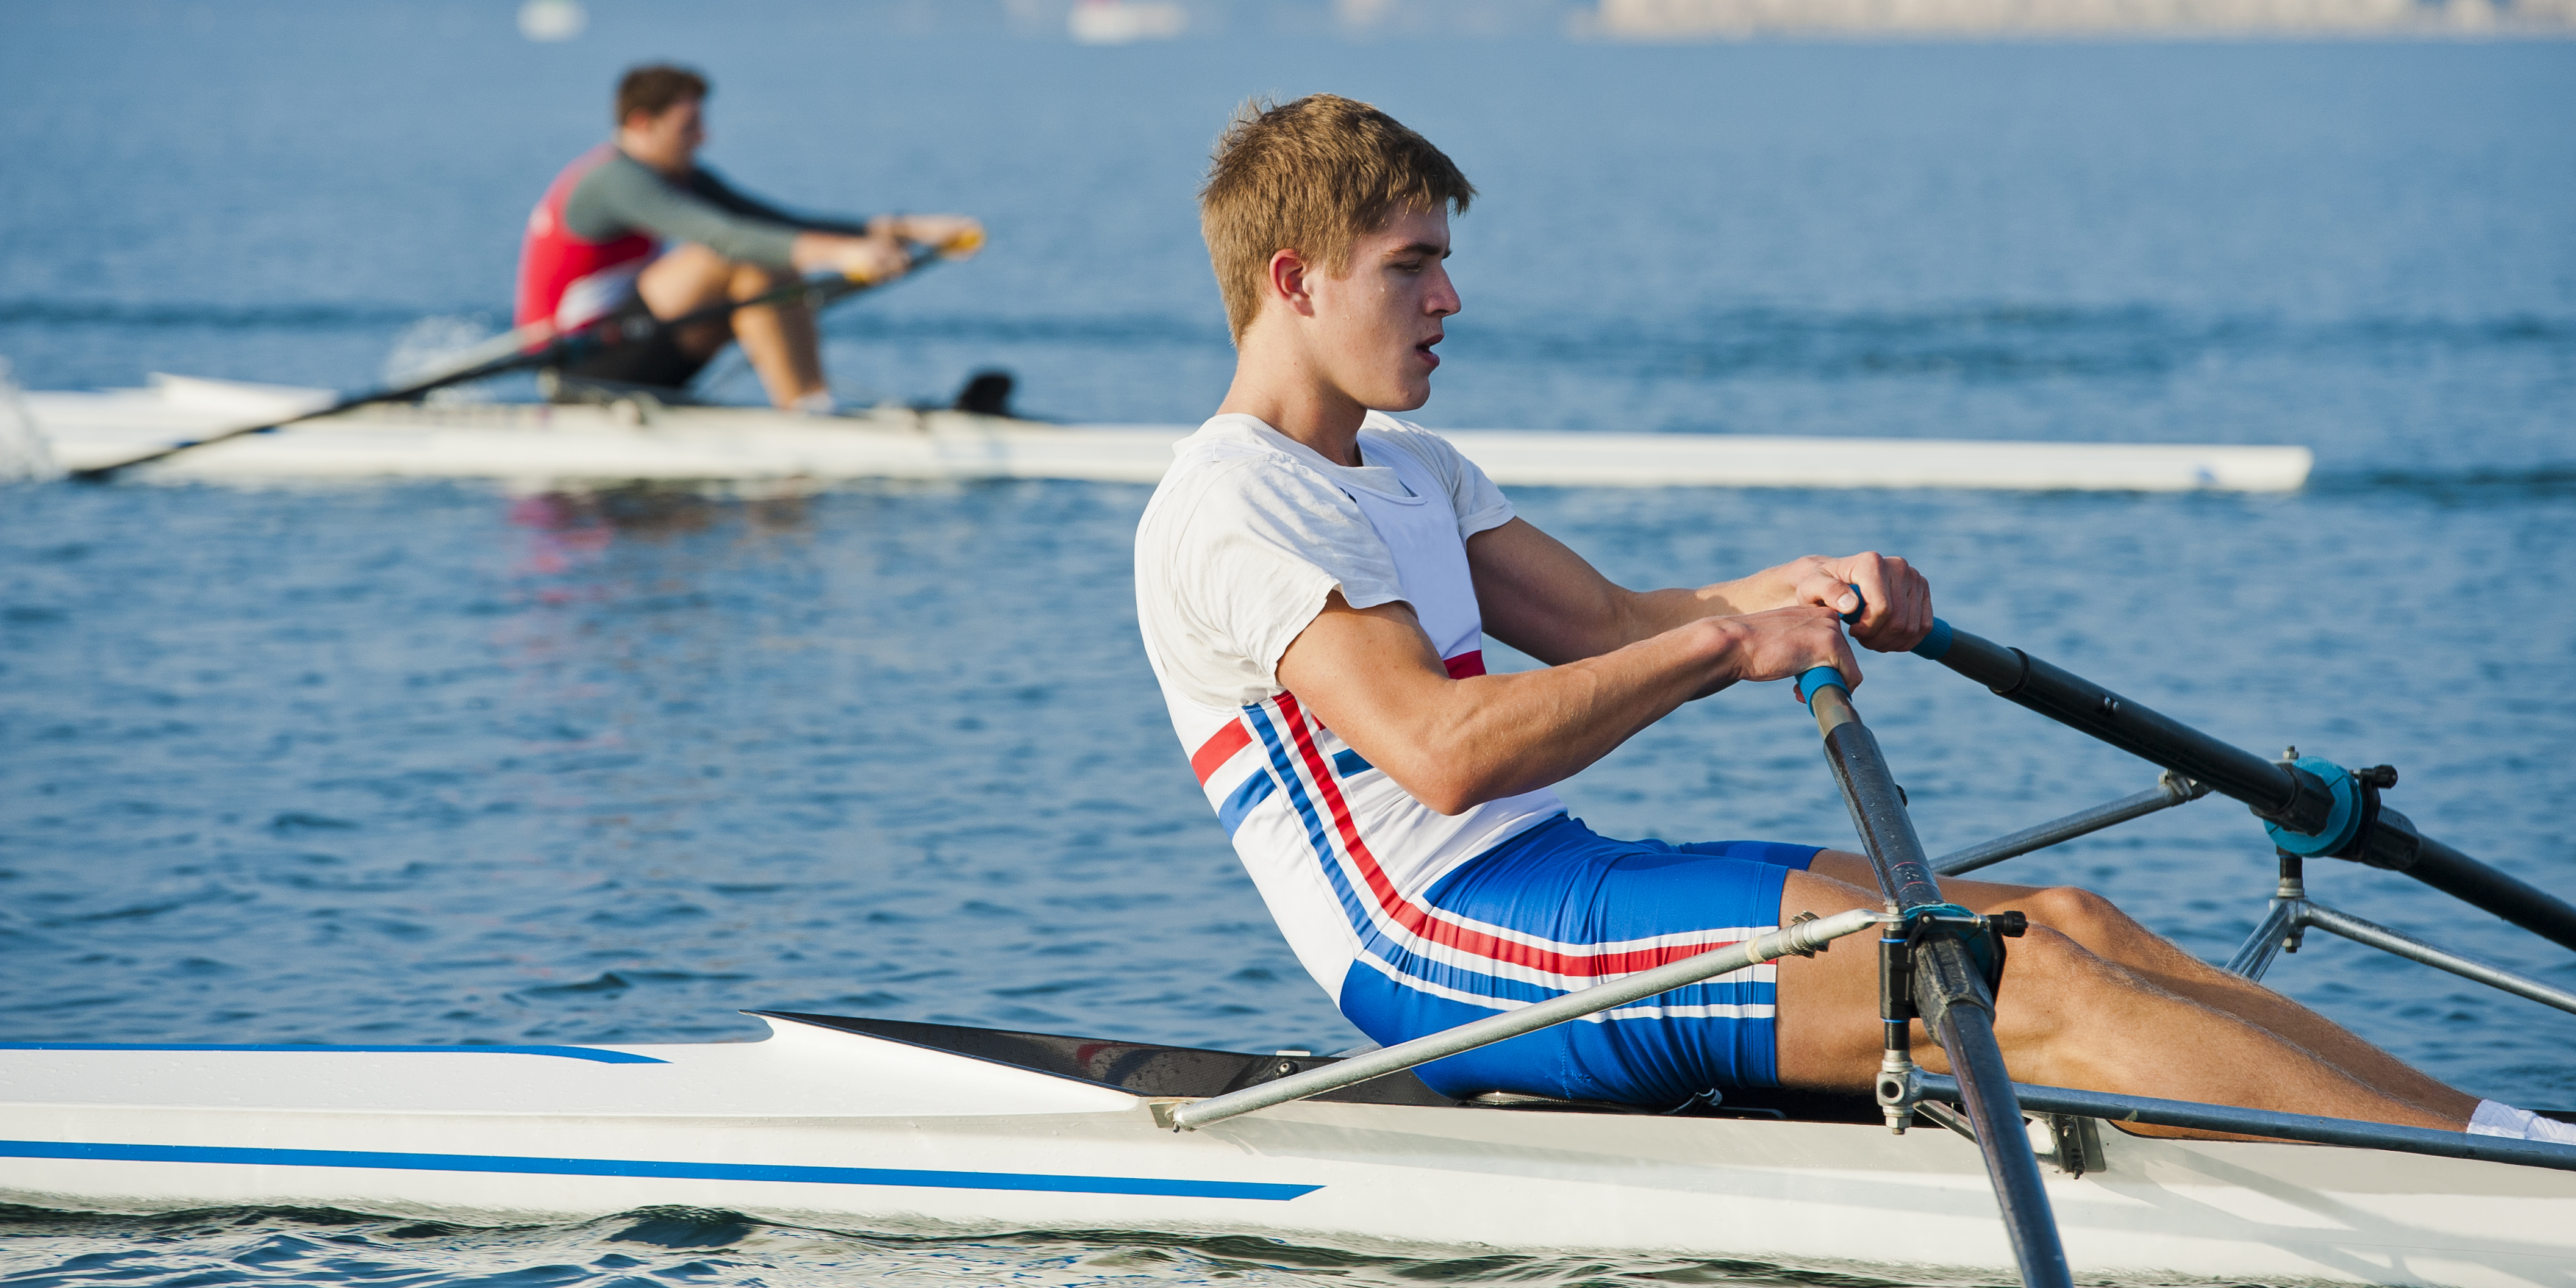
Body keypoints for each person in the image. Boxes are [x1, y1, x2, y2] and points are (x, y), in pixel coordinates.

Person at [1132, 94, 2574, 1146]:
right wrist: (1724, 644)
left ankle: (2493, 1137)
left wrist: (1798, 585)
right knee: (2007, 983)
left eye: (1443, 257)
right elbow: (1443, 750)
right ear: (1292, 281)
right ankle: (2495, 1172)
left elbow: (1614, 623)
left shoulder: (1410, 468)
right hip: (1440, 946)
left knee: (2061, 919)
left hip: (1547, 881)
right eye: (1410, 264)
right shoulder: (1231, 504)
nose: (1450, 295)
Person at [514, 65, 982, 412]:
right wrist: (844, 255)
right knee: (734, 258)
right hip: (578, 368)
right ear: (641, 124)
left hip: (635, 349)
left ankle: (812, 407)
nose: (703, 138)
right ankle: (807, 415)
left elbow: (782, 224)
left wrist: (915, 230)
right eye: (688, 128)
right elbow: (727, 238)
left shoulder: (680, 174)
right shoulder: (613, 179)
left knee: (767, 258)